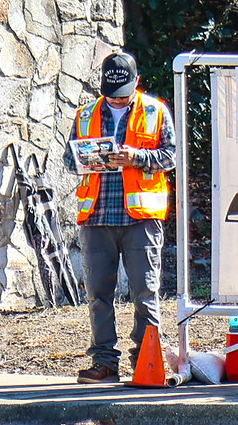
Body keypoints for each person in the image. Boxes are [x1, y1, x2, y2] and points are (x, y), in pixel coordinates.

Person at [69, 52, 174, 383]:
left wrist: (137, 157)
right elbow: (70, 160)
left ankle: (146, 362)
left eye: (123, 91)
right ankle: (104, 363)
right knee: (98, 294)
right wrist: (88, 159)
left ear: (137, 82)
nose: (116, 98)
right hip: (96, 216)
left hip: (141, 219)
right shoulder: (86, 114)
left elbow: (170, 155)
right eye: (111, 92)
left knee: (145, 291)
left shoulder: (155, 112)